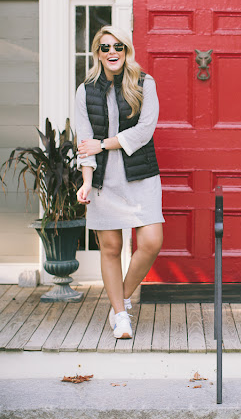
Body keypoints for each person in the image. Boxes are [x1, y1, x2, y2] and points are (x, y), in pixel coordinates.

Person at [75, 25, 164, 339]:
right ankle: (120, 315)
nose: (112, 52)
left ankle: (121, 298)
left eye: (118, 47)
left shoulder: (144, 82)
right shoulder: (85, 90)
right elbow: (85, 141)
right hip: (103, 181)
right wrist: (86, 181)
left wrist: (104, 144)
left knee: (151, 241)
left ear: (127, 51)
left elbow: (144, 131)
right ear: (98, 53)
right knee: (111, 248)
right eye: (105, 47)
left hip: (140, 175)